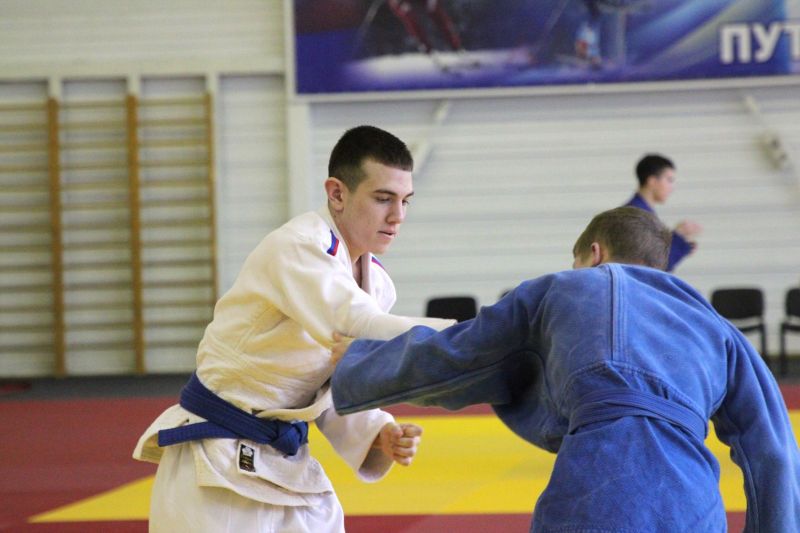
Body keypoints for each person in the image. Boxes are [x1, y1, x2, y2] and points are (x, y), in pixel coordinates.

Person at [330, 206, 800, 533]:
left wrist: (356, 362)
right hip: (692, 506)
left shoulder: (563, 288)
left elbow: (457, 356)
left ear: (593, 254)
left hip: (597, 494)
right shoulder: (718, 329)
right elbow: (775, 454)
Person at [133, 125, 456, 532]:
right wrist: (475, 333)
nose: (398, 216)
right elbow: (355, 323)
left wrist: (377, 433)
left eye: (405, 201)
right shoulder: (298, 246)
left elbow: (323, 383)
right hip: (215, 459)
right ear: (336, 194)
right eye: (382, 198)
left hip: (283, 461)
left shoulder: (377, 284)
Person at [624, 153, 702, 271]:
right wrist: (678, 238)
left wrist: (680, 243)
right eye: (669, 180)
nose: (672, 188)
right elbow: (654, 266)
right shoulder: (636, 216)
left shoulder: (639, 212)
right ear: (652, 181)